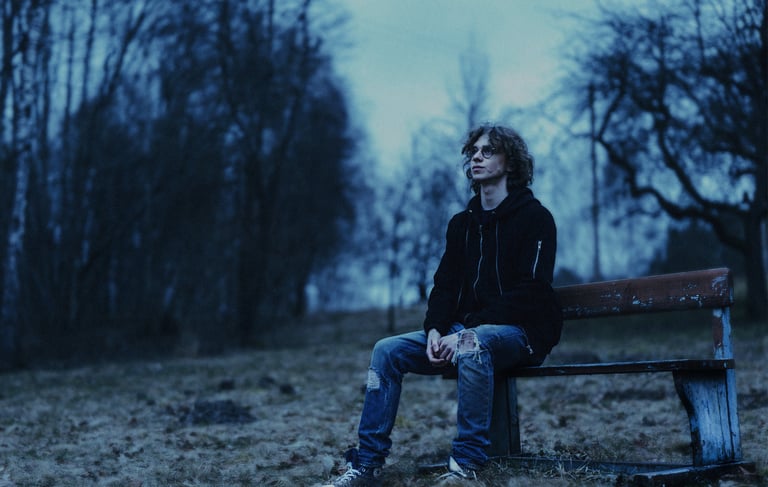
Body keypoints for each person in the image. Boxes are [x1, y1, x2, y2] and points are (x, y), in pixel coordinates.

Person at [323, 124, 563, 486]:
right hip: (461, 333)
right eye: (474, 152)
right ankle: (367, 465)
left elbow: (532, 292)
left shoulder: (536, 219)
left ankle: (465, 466)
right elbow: (445, 286)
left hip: (521, 334)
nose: (477, 158)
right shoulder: (462, 225)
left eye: (488, 151)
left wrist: (467, 331)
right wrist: (435, 330)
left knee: (472, 344)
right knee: (386, 351)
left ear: (510, 163)